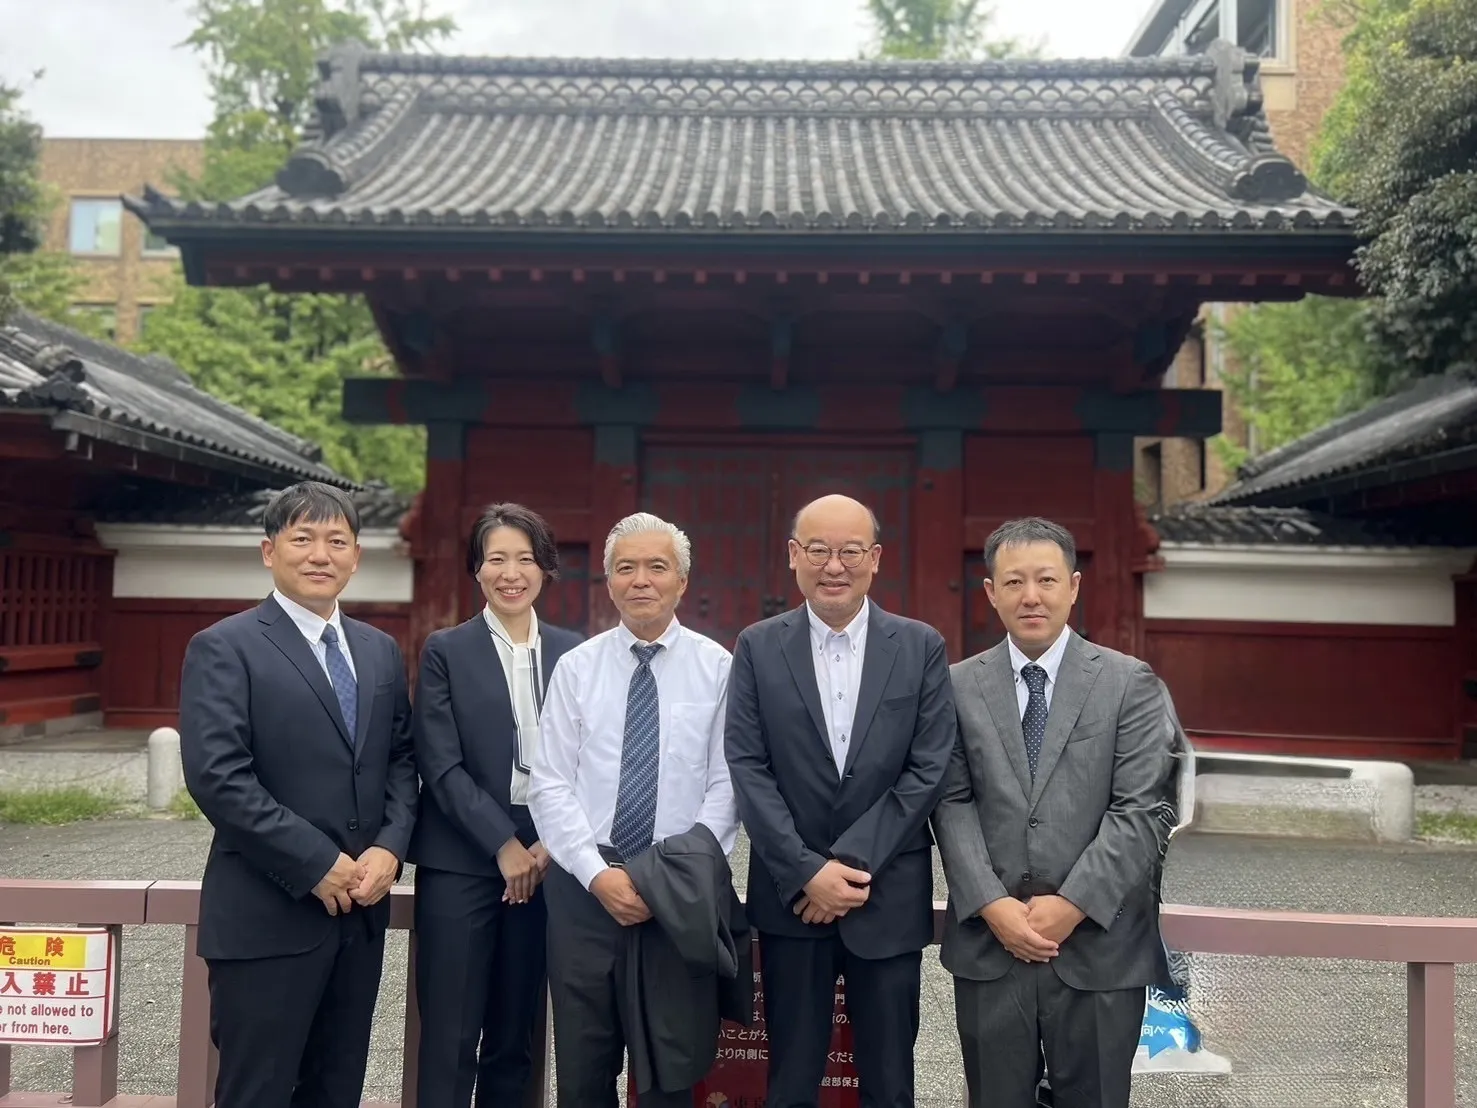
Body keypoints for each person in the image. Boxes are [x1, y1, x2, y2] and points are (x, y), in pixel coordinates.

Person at [177, 481, 417, 1108]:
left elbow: (401, 760)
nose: (320, 555)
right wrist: (315, 862)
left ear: (356, 556)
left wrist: (391, 849)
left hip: (359, 916)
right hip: (266, 915)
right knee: (257, 1092)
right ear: (269, 551)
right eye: (302, 538)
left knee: (336, 1089)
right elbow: (218, 776)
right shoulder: (225, 646)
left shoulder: (379, 651)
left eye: (336, 541)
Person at [724, 493, 957, 1108]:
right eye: (819, 550)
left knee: (890, 1084)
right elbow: (747, 766)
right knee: (790, 1082)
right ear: (793, 556)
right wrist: (806, 871)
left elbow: (927, 768)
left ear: (875, 558)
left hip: (887, 894)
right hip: (792, 901)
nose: (834, 566)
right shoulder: (757, 646)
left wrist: (845, 867)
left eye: (851, 551)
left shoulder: (920, 646)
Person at [930, 517, 1172, 1108]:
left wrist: (1072, 905)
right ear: (991, 592)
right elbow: (950, 801)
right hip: (992, 943)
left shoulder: (1128, 683)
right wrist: (991, 904)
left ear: (1074, 586)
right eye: (1014, 582)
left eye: (1046, 579)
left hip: (1099, 944)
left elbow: (1140, 809)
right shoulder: (957, 686)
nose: (1031, 596)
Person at [527, 511, 739, 1108]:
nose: (640, 580)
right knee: (583, 1071)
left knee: (672, 1073)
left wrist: (674, 875)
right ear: (609, 581)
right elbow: (550, 783)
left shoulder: (719, 669)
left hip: (679, 887)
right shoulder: (577, 668)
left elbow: (727, 787)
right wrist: (598, 875)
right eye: (626, 568)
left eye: (656, 567)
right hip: (586, 889)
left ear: (682, 581)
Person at [406, 503, 584, 1108]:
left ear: (545, 568)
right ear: (476, 569)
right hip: (462, 857)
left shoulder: (573, 652)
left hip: (547, 857)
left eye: (526, 559)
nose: (512, 573)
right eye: (497, 559)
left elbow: (591, 760)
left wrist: (548, 844)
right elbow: (439, 762)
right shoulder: (446, 650)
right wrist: (502, 845)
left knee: (517, 1031)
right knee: (450, 1033)